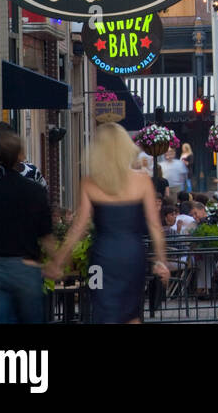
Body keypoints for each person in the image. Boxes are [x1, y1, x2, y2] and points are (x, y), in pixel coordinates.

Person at [47, 123, 169, 323]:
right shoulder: (142, 181)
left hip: (101, 257)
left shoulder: (89, 182)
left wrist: (59, 260)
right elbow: (155, 226)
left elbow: (79, 226)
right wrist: (161, 261)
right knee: (131, 313)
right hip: (133, 256)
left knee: (102, 309)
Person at [0, 130, 55, 323]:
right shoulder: (35, 190)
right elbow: (47, 236)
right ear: (20, 155)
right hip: (26, 269)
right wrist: (55, 263)